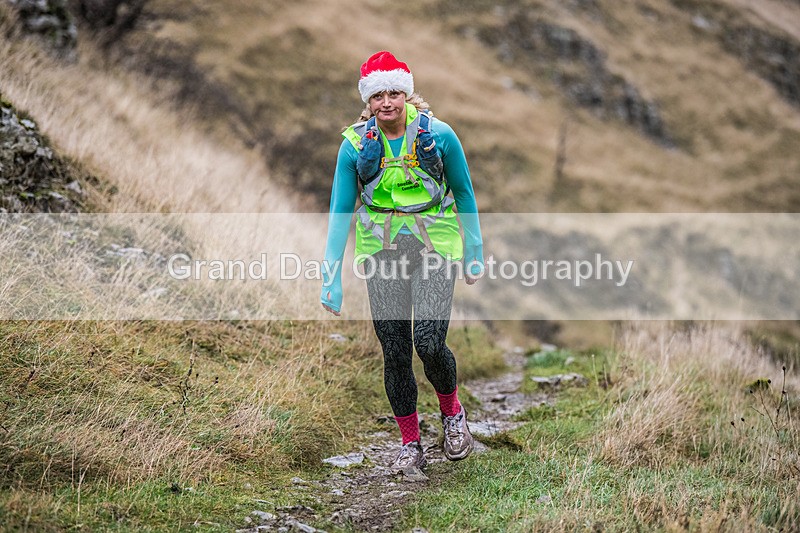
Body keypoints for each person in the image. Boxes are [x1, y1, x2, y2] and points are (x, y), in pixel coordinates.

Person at [320, 51, 484, 470]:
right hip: (382, 252)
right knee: (394, 350)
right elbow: (340, 211)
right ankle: (410, 444)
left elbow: (463, 193)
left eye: (394, 92)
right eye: (378, 96)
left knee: (428, 341)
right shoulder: (355, 145)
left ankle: (453, 415)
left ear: (407, 93)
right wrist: (331, 277)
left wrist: (475, 252)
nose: (387, 102)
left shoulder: (439, 134)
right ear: (368, 101)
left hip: (436, 247)